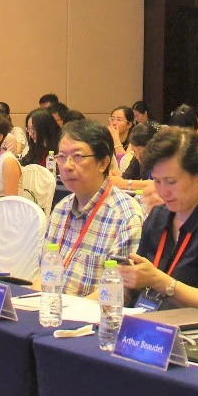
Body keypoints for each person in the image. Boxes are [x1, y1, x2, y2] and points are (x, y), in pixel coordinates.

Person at [119, 126, 198, 314]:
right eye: (157, 181)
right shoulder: (158, 216)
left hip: (192, 329)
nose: (163, 192)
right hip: (144, 319)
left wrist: (158, 280)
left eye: (171, 182)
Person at [43, 119, 142, 297]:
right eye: (62, 157)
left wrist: (69, 309)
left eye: (78, 157)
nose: (67, 166)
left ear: (103, 163)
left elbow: (117, 290)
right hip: (53, 307)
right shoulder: (61, 209)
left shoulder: (126, 216)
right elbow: (44, 275)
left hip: (91, 312)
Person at [110, 123, 155, 192]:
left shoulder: (164, 159)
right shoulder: (136, 156)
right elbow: (126, 178)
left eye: (143, 153)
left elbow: (158, 184)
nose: (138, 157)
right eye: (135, 152)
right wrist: (117, 179)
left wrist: (125, 183)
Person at [107, 106, 135, 173]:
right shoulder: (106, 138)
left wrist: (116, 138)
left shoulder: (134, 140)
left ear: (129, 125)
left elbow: (124, 166)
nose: (114, 123)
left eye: (119, 120)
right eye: (112, 119)